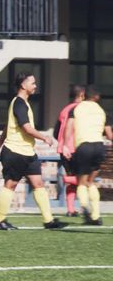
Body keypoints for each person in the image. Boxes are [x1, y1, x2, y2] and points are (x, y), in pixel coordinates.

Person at [0, 72, 67, 230]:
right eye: (32, 83)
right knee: (10, 185)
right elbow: (26, 128)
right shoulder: (19, 103)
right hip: (15, 152)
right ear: (23, 85)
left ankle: (49, 221)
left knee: (38, 184)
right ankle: (0, 221)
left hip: (27, 153)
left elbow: (8, 125)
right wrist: (44, 137)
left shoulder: (22, 104)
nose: (35, 86)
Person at [64, 85, 112, 226]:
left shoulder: (76, 108)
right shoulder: (102, 111)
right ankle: (96, 216)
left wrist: (66, 145)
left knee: (81, 182)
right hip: (99, 146)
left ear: (83, 96)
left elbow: (69, 126)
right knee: (91, 182)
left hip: (84, 147)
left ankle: (84, 206)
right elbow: (109, 135)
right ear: (97, 98)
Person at [54, 85, 86, 217]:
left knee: (75, 182)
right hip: (74, 149)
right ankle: (64, 178)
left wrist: (62, 144)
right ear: (82, 95)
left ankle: (71, 209)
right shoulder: (80, 109)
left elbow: (56, 132)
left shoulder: (64, 109)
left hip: (64, 149)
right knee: (85, 179)